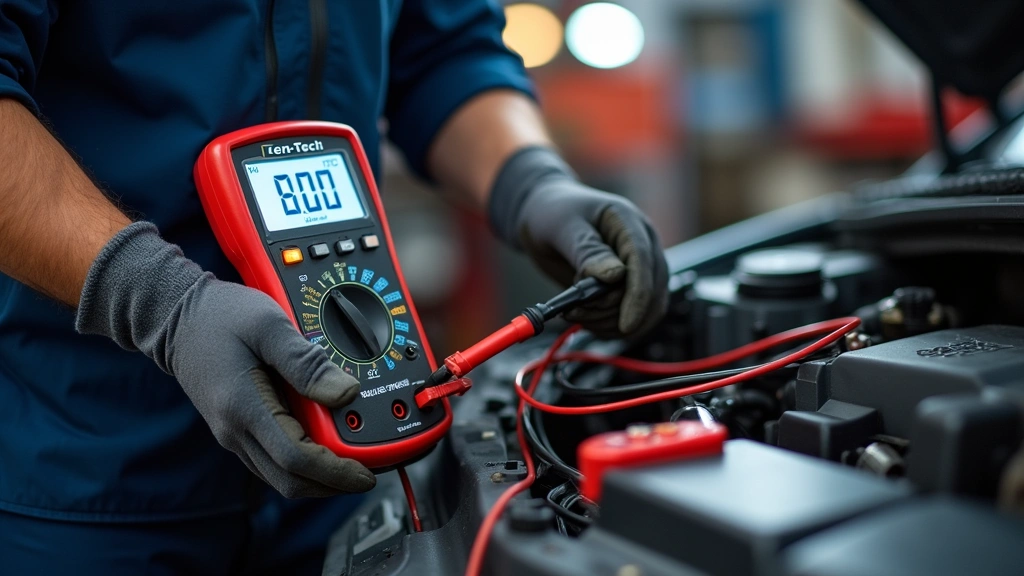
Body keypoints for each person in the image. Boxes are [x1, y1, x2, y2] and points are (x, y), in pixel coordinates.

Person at [0, 0, 669, 573]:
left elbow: (444, 53)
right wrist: (158, 300)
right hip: (87, 467)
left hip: (352, 457)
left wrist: (531, 184)